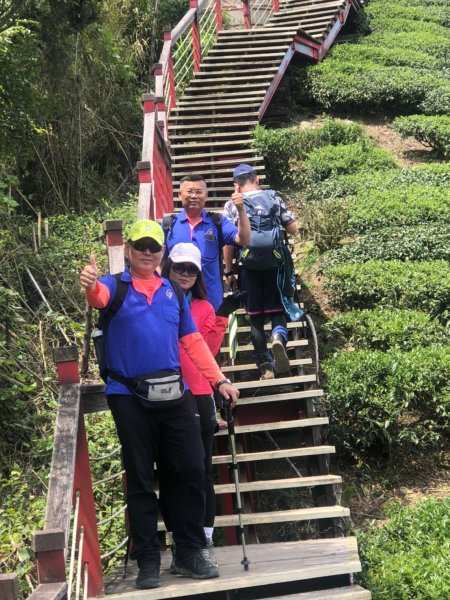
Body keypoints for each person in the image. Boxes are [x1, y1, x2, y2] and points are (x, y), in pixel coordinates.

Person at [79, 219, 239, 590]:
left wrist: (220, 380)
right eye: (141, 247)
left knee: (187, 469)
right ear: (130, 250)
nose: (148, 253)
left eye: (154, 248)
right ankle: (148, 558)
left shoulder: (172, 291)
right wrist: (88, 285)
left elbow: (193, 341)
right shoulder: (114, 286)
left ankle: (190, 551)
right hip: (129, 396)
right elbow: (97, 298)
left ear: (162, 252)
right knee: (139, 475)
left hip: (174, 394)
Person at [161, 242, 232, 561]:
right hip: (168, 392)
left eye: (191, 269)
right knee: (172, 470)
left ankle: (203, 536)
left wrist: (220, 319)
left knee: (201, 469)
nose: (185, 274)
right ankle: (178, 536)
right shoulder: (159, 300)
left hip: (201, 393)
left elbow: (210, 350)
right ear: (169, 268)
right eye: (180, 268)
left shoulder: (203, 307)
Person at [223, 164, 299, 380]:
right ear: (257, 179)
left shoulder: (231, 205)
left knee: (255, 318)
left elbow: (228, 243)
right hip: (276, 264)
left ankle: (265, 365)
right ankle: (277, 336)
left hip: (249, 267)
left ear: (236, 185)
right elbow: (293, 228)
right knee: (278, 309)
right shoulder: (273, 197)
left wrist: (229, 271)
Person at [163, 174, 251, 311]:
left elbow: (244, 239)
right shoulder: (169, 225)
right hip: (174, 303)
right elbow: (159, 262)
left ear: (206, 195)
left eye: (198, 192)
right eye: (189, 191)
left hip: (210, 303)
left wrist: (241, 209)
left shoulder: (217, 222)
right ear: (180, 195)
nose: (194, 196)